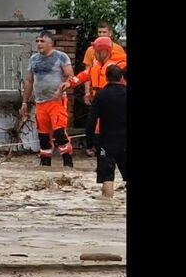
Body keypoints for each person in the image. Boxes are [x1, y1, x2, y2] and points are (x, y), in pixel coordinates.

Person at [58, 35, 127, 156]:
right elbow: (84, 75)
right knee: (94, 127)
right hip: (99, 99)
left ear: (104, 51)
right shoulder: (96, 65)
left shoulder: (119, 65)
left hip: (113, 101)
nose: (93, 54)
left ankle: (105, 155)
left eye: (96, 51)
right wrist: (69, 83)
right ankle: (98, 152)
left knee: (104, 129)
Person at [20, 30, 75, 168]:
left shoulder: (61, 57)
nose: (39, 44)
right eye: (37, 41)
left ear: (51, 43)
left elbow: (70, 77)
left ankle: (68, 164)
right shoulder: (33, 59)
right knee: (43, 135)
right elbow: (29, 81)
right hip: (40, 102)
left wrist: (61, 89)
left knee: (59, 133)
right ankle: (45, 166)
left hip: (57, 101)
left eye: (42, 41)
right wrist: (24, 102)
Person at [85, 65, 126, 199]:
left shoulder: (101, 95)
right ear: (121, 78)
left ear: (106, 78)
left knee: (108, 177)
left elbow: (92, 119)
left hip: (106, 142)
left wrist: (89, 142)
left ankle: (107, 208)